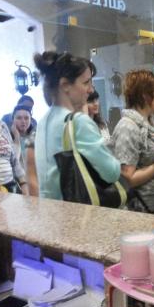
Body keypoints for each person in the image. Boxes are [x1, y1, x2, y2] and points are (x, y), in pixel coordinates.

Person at [33, 51, 120, 200]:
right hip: (76, 214)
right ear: (65, 85)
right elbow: (111, 172)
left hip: (51, 211)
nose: (91, 89)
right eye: (86, 82)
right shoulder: (79, 121)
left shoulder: (43, 122)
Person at [110, 69, 154, 216]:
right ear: (145, 96)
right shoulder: (127, 127)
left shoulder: (153, 122)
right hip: (145, 209)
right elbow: (128, 178)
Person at [10, 105, 35, 173]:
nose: (23, 121)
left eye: (26, 118)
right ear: (13, 120)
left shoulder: (36, 138)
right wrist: (17, 137)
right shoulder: (7, 139)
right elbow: (14, 161)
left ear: (31, 120)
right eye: (19, 118)